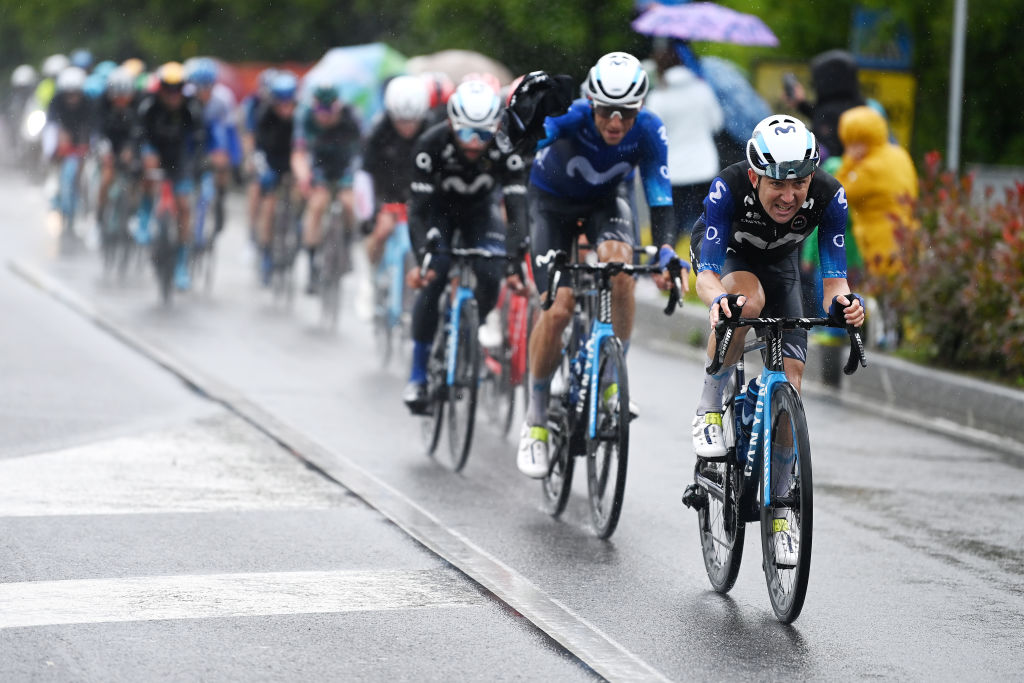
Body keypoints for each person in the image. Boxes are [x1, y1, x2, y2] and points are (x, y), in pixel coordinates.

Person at [514, 52, 684, 478]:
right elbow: (518, 145)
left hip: (605, 205)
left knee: (621, 270)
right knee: (558, 308)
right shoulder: (571, 116)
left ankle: (610, 377)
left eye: (626, 113)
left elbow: (660, 196)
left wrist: (665, 250)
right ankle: (534, 422)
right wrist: (526, 119)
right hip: (550, 206)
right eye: (606, 111)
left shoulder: (649, 130)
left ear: (639, 108)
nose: (615, 122)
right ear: (592, 103)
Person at [687, 114, 865, 461]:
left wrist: (845, 304)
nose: (789, 196)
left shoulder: (830, 196)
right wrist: (720, 302)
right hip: (728, 254)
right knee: (746, 302)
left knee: (791, 386)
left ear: (811, 175)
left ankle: (782, 503)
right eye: (778, 185)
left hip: (779, 264)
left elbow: (834, 282)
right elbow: (706, 276)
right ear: (755, 177)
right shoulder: (730, 186)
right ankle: (707, 408)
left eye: (799, 183)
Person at [400, 79, 528, 414]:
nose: (474, 143)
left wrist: (515, 261)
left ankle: (473, 327)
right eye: (467, 133)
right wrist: (421, 259)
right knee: (435, 275)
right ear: (452, 123)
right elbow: (417, 211)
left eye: (483, 134)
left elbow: (517, 211)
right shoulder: (431, 143)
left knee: (491, 272)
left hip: (480, 215)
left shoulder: (504, 147)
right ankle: (418, 375)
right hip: (438, 213)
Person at [834, 105, 918, 348]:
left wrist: (849, 161)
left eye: (852, 143)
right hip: (905, 231)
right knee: (900, 291)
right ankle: (900, 338)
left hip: (881, 237)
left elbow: (839, 191)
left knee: (884, 293)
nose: (849, 149)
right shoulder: (897, 154)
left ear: (863, 140)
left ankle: (889, 340)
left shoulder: (869, 168)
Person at [135, 62, 204, 289]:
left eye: (178, 90)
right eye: (168, 89)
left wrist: (197, 166)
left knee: (184, 207)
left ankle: (181, 262)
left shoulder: (191, 109)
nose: (173, 95)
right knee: (148, 174)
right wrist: (145, 155)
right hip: (155, 154)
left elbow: (199, 141)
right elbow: (139, 135)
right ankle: (144, 218)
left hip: (180, 160)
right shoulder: (149, 106)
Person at [645, 39, 723, 241]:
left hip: (674, 171)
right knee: (707, 227)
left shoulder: (658, 97)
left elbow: (652, 134)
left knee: (670, 229)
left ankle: (666, 268)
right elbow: (717, 123)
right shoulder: (703, 89)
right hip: (705, 166)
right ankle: (706, 269)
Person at [291, 78, 363, 294]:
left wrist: (354, 178)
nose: (323, 116)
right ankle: (313, 266)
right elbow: (299, 153)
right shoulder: (305, 117)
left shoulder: (351, 117)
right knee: (316, 206)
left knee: (349, 204)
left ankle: (347, 244)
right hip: (319, 165)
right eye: (319, 110)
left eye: (329, 110)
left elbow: (363, 152)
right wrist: (304, 177)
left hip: (345, 165)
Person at [362, 75, 430, 267]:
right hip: (386, 194)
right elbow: (366, 174)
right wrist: (372, 212)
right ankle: (371, 274)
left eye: (413, 121)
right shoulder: (378, 131)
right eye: (401, 121)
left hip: (419, 195)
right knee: (381, 231)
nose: (407, 128)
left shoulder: (431, 130)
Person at [252, 71, 299, 285]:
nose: (285, 109)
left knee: (300, 198)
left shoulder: (300, 116)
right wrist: (264, 171)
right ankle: (266, 252)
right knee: (269, 206)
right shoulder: (264, 115)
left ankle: (298, 233)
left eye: (289, 103)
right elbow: (258, 148)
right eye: (281, 104)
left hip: (294, 163)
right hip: (271, 162)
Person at [186, 57, 239, 239]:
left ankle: (220, 199)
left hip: (212, 136)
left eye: (207, 86)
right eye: (198, 87)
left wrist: (231, 158)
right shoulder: (185, 97)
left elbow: (227, 131)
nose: (203, 92)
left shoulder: (223, 99)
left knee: (221, 165)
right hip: (191, 136)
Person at [783, 50, 865, 161]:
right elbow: (823, 115)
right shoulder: (860, 106)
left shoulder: (828, 112)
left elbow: (825, 155)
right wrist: (801, 104)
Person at [95, 67, 140, 228]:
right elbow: (98, 130)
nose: (121, 101)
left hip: (129, 142)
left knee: (138, 175)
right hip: (109, 142)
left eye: (125, 97)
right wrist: (105, 151)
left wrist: (131, 149)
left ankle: (134, 213)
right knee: (107, 177)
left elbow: (140, 131)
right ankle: (99, 216)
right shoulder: (102, 104)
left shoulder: (138, 104)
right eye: (117, 97)